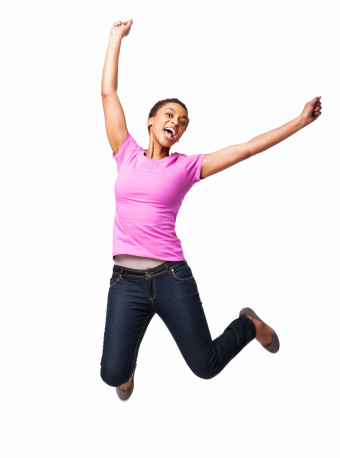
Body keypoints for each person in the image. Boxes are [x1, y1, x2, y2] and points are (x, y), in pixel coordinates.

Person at [100, 19, 322, 401]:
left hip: (171, 277)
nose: (176, 123)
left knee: (206, 367)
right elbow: (108, 92)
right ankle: (126, 366)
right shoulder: (126, 153)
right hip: (126, 281)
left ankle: (249, 325)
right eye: (169, 115)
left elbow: (248, 147)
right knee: (112, 374)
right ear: (151, 120)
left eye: (183, 122)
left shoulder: (186, 166)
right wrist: (115, 37)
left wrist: (300, 121)